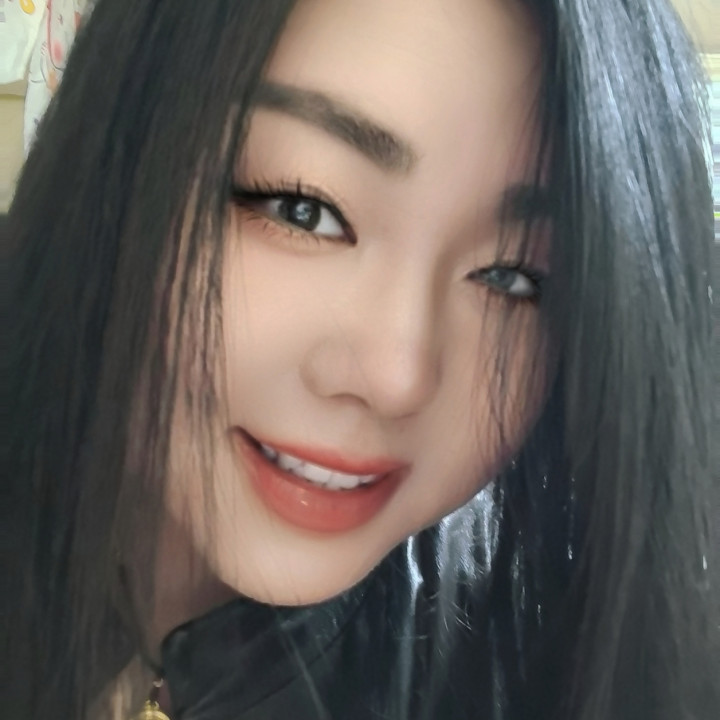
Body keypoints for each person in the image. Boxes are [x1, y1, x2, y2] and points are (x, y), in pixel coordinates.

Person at [4, 0, 718, 718]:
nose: (397, 377)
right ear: (117, 155)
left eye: (513, 277)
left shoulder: (549, 650)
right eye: (301, 208)